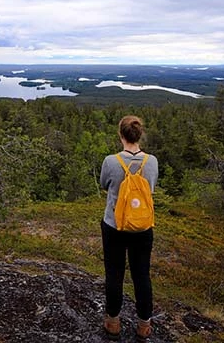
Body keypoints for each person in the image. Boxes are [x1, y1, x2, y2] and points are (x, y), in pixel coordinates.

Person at [99, 115, 159, 341]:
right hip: (143, 228)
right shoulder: (151, 161)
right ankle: (144, 325)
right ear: (139, 135)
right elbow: (151, 187)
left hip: (114, 226)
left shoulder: (111, 161)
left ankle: (113, 322)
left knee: (114, 274)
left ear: (121, 135)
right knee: (142, 275)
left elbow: (104, 184)